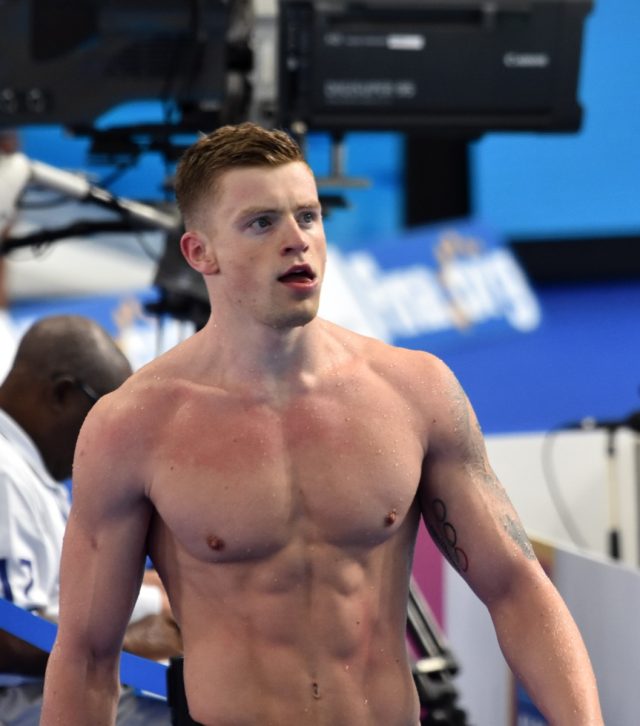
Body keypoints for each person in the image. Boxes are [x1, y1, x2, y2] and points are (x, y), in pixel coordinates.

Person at [41, 123, 603, 725]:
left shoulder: (415, 391)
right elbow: (87, 655)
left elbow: (517, 588)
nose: (296, 241)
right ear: (199, 252)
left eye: (307, 217)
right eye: (262, 223)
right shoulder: (133, 426)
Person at [0, 314, 182, 725]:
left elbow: (55, 598)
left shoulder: (28, 470)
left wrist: (157, 596)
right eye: (107, 417)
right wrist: (132, 647)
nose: (114, 440)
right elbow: (7, 638)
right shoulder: (4, 473)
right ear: (62, 395)